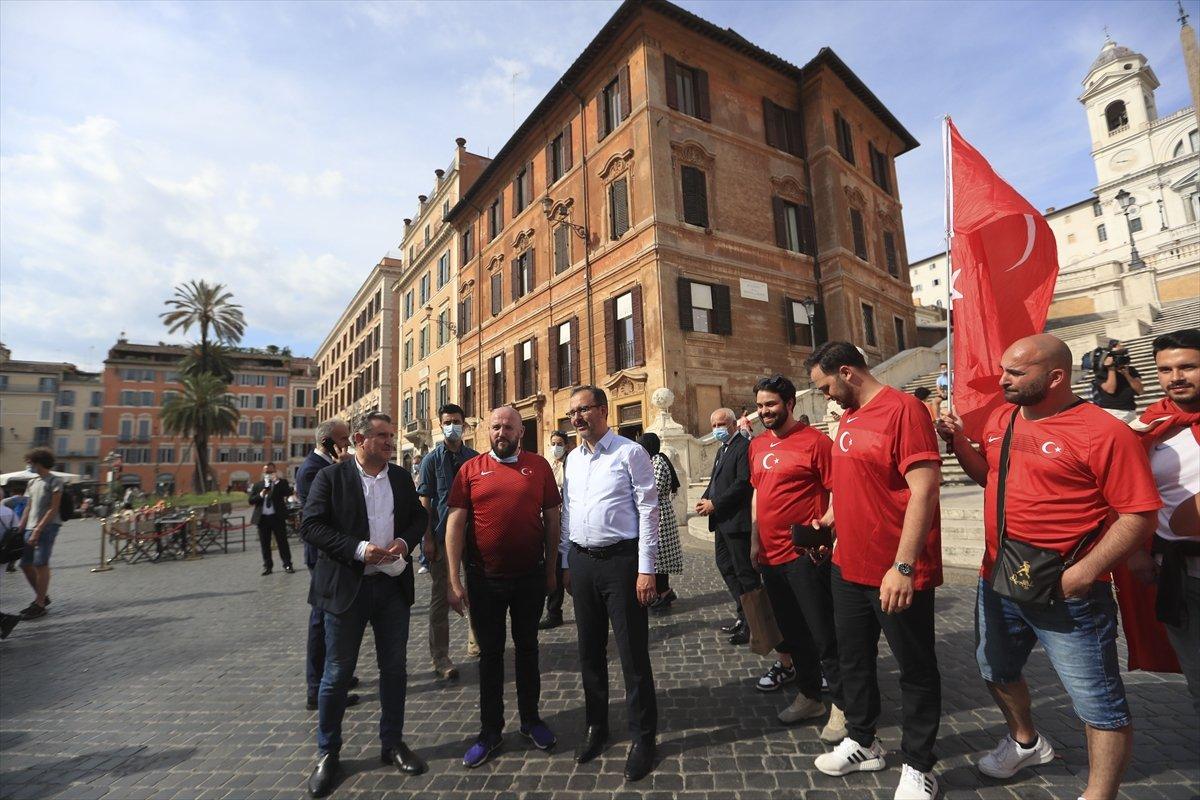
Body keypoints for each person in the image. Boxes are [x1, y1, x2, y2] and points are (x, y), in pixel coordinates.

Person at [938, 333, 1160, 800]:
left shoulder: (1104, 432)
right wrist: (958, 441)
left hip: (1069, 590)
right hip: (997, 578)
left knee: (1098, 704)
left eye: (1016, 373)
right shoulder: (1002, 417)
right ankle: (1025, 742)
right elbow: (988, 477)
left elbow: (1139, 515)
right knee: (995, 669)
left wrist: (1083, 574)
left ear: (1056, 377)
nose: (1002, 380)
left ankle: (1099, 794)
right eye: (1004, 369)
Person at [805, 342, 943, 800]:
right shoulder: (847, 417)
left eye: (826, 386)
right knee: (854, 659)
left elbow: (924, 490)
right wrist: (830, 519)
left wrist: (903, 565)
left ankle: (920, 765)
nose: (826, 396)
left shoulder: (905, 411)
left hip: (895, 568)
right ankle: (863, 740)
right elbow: (853, 484)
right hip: (847, 565)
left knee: (915, 668)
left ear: (847, 372)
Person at [301, 412, 429, 797]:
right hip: (346, 589)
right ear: (359, 439)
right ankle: (328, 753)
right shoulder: (330, 477)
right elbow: (311, 526)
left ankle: (392, 743)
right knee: (337, 673)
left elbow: (418, 518)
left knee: (395, 668)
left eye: (392, 435)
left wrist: (404, 542)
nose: (390, 441)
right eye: (383, 435)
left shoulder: (400, 477)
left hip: (391, 588)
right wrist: (359, 549)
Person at [445, 406, 562, 767]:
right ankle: (490, 731)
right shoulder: (470, 469)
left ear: (520, 432)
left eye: (508, 427)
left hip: (529, 577)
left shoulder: (539, 467)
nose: (501, 432)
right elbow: (455, 524)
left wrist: (552, 570)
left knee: (528, 650)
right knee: (490, 657)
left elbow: (553, 519)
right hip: (485, 580)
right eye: (496, 427)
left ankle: (531, 720)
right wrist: (453, 579)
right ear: (488, 431)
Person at [560, 385, 659, 782]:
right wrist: (566, 561)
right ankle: (596, 726)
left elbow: (649, 509)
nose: (576, 418)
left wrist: (646, 569)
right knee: (589, 651)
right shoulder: (571, 459)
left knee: (632, 654)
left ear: (602, 410)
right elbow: (568, 512)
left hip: (622, 562)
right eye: (572, 413)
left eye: (583, 410)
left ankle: (643, 737)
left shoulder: (629, 453)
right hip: (582, 562)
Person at [748, 375, 847, 742]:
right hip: (770, 556)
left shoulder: (816, 443)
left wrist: (827, 526)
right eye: (760, 406)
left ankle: (843, 705)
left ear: (790, 404)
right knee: (792, 632)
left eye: (771, 404)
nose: (764, 412)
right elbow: (758, 493)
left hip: (805, 556)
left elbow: (839, 490)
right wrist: (754, 541)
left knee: (823, 633)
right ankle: (810, 696)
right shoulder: (757, 445)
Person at [1125, 328, 1200, 718]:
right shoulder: (1149, 427)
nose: (1176, 377)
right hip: (1178, 574)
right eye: (1166, 369)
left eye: (1188, 366)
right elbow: (1124, 492)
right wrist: (1135, 551)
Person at [295, 420, 360, 713]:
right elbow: (327, 512)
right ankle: (317, 688)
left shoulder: (326, 465)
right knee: (322, 622)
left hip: (337, 554)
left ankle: (335, 676)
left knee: (335, 618)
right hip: (323, 556)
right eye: (343, 439)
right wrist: (343, 469)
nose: (347, 443)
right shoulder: (312, 470)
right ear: (327, 443)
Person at [416, 403, 480, 682]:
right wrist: (427, 538)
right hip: (442, 537)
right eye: (447, 422)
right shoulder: (431, 460)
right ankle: (440, 656)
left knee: (477, 590)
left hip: (472, 535)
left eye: (456, 421)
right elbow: (425, 502)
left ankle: (476, 641)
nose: (452, 426)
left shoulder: (474, 458)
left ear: (463, 424)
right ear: (440, 425)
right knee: (441, 597)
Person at [697, 407, 757, 645]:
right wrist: (705, 498)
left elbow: (742, 483)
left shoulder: (743, 447)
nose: (717, 429)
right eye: (713, 426)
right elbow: (715, 480)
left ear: (733, 424)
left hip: (736, 522)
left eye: (720, 425)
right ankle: (743, 615)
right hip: (721, 521)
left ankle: (755, 625)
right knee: (725, 565)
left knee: (744, 573)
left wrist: (715, 503)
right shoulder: (722, 449)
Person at [16, 448, 63, 621]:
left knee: (41, 563)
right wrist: (21, 526)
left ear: (39, 463)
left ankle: (40, 604)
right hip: (30, 527)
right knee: (25, 564)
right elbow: (28, 506)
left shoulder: (55, 481)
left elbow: (53, 508)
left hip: (48, 527)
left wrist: (38, 528)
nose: (29, 466)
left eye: (30, 463)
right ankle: (42, 596)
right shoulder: (32, 482)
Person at [638, 433, 682, 611]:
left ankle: (664, 593)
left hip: (659, 514)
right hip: (659, 512)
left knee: (659, 557)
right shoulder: (655, 460)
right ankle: (661, 592)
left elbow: (652, 489)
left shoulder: (657, 461)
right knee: (658, 557)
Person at [540, 430, 571, 629]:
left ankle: (554, 611)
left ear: (566, 446)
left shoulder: (572, 465)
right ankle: (553, 611)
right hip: (549, 519)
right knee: (552, 564)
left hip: (566, 521)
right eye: (553, 443)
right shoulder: (549, 464)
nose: (556, 447)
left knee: (561, 565)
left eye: (559, 443)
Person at [249, 462, 294, 575]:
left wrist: (277, 481)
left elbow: (288, 492)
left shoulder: (281, 483)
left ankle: (287, 564)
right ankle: (267, 566)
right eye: (266, 471)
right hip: (263, 518)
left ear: (275, 471)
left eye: (270, 471)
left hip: (277, 517)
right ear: (263, 472)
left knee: (282, 542)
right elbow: (251, 500)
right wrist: (261, 494)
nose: (268, 473)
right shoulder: (258, 485)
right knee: (265, 544)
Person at [1091, 340, 1143, 422]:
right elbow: (1110, 390)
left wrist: (1127, 375)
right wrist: (1111, 368)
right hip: (1112, 411)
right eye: (1117, 355)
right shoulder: (1102, 372)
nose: (1121, 357)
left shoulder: (1131, 370)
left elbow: (1140, 391)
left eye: (1123, 354)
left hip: (1130, 411)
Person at [0, 500, 21, 638]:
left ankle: (6, 620)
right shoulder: (10, 512)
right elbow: (16, 530)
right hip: (4, 555)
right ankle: (5, 621)